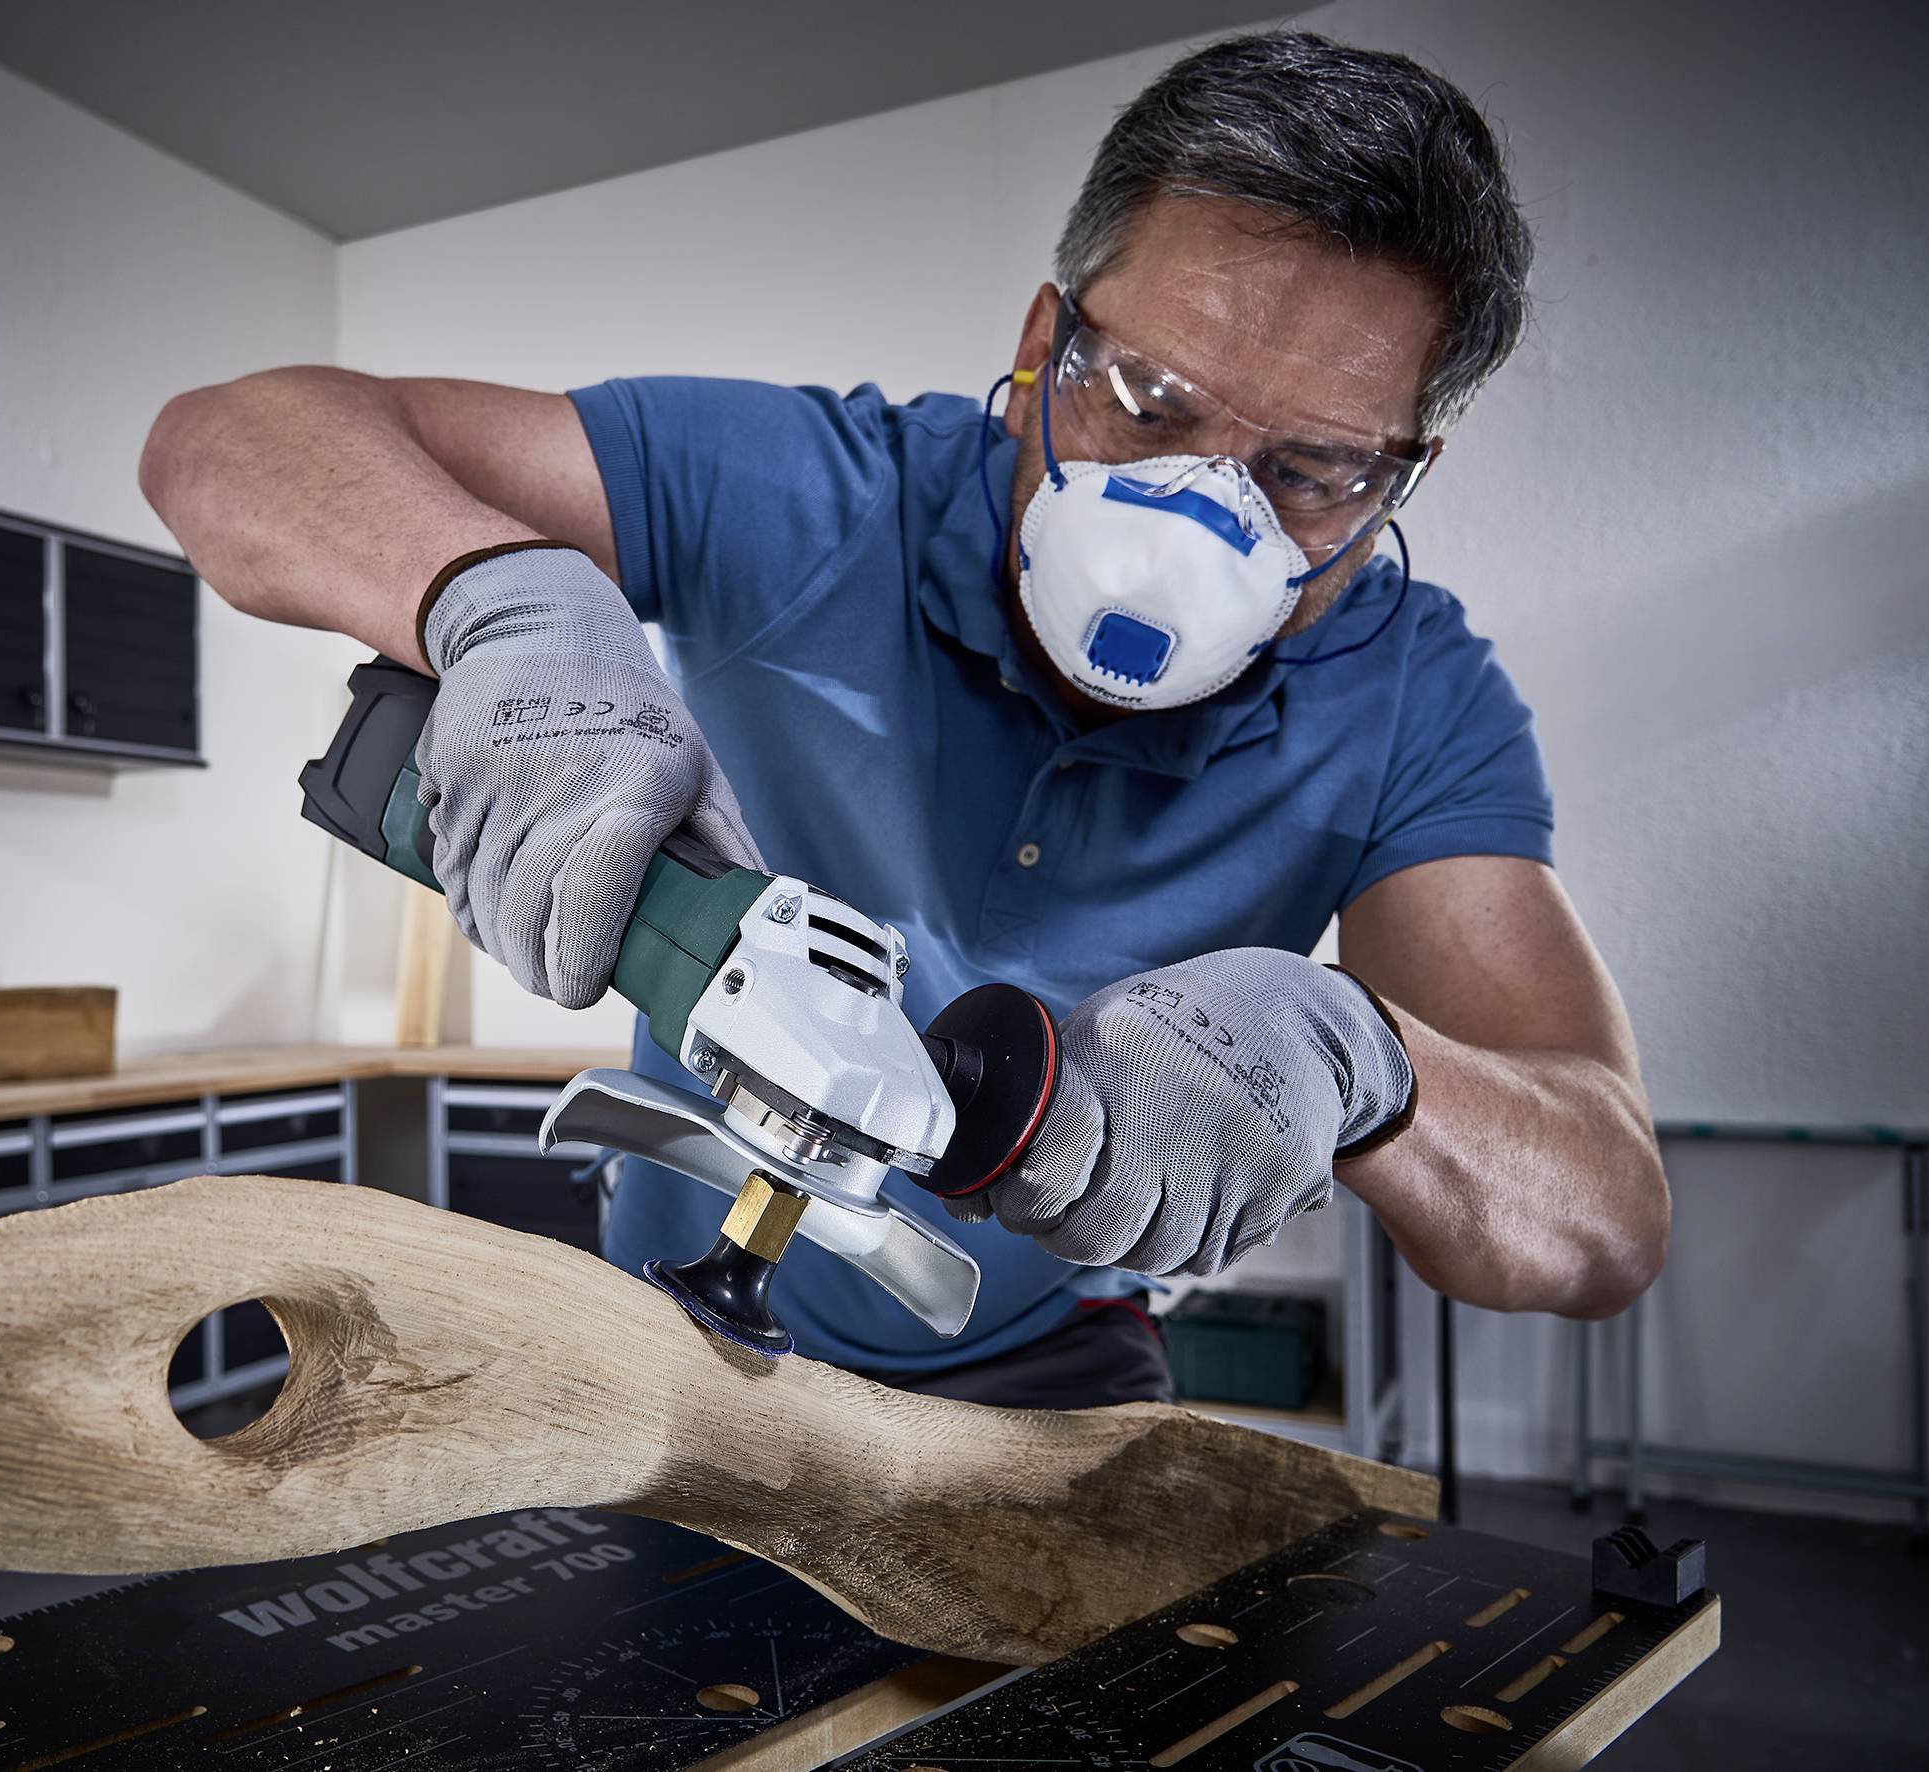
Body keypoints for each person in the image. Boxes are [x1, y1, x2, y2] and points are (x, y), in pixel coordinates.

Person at [138, 31, 1670, 1410]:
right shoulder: (814, 496)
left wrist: (1359, 1062)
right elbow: (226, 441)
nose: (1195, 516)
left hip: (1042, 1345)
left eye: (1311, 470)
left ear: (1399, 476)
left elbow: (1601, 1224)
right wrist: (504, 604)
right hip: (660, 1299)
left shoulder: (1413, 695)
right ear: (1041, 344)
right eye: (1146, 401)